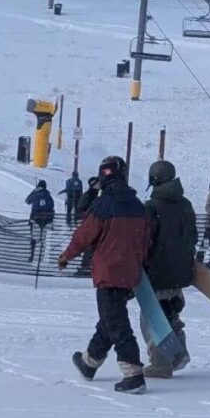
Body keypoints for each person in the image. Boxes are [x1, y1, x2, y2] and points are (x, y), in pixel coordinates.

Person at [59, 156, 151, 394]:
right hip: (129, 273)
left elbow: (84, 235)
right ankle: (89, 362)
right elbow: (146, 242)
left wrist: (66, 256)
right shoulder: (138, 206)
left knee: (117, 323)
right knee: (110, 318)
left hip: (108, 272)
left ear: (103, 176)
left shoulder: (103, 204)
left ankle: (133, 373)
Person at [141, 160, 197, 378]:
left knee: (154, 318)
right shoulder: (186, 204)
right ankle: (178, 353)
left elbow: (146, 240)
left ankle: (161, 362)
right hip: (181, 270)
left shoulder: (152, 207)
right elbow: (193, 236)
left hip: (157, 270)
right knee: (171, 311)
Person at [73, 175, 101, 276]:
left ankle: (89, 266)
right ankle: (85, 266)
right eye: (98, 183)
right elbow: (80, 210)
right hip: (88, 224)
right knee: (90, 245)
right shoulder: (88, 195)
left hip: (94, 223)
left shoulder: (97, 195)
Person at [25, 180, 55, 262]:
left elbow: (27, 201)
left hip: (35, 218)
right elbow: (52, 208)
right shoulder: (49, 196)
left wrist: (33, 191)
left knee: (34, 238)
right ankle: (41, 257)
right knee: (43, 238)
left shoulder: (35, 194)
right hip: (46, 220)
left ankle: (32, 256)